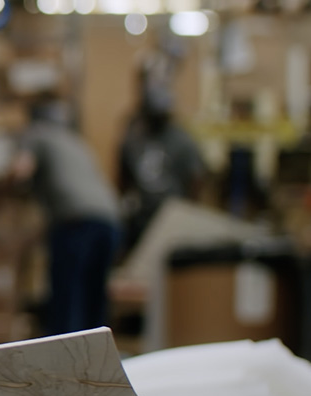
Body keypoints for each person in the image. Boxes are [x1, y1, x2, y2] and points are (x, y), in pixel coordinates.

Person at [14, 97, 122, 336]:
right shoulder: (76, 142)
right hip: (110, 219)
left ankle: (63, 357)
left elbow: (20, 171)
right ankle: (96, 357)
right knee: (94, 301)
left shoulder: (37, 134)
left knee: (67, 299)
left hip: (76, 223)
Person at [116, 84, 206, 252]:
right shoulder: (134, 139)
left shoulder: (183, 141)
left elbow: (196, 179)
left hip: (171, 214)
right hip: (141, 215)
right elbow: (123, 177)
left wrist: (187, 212)